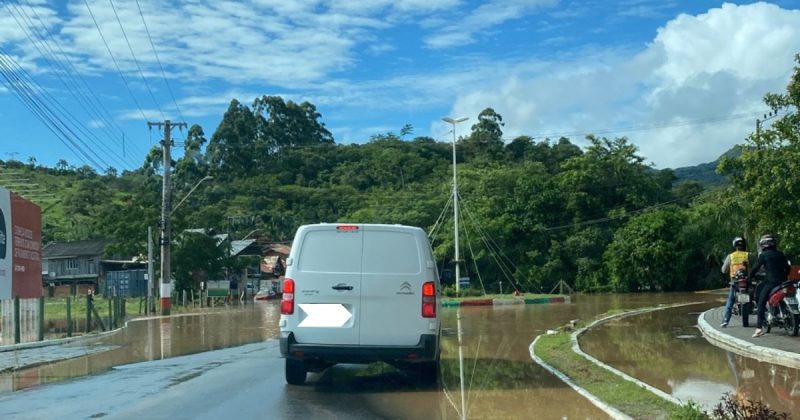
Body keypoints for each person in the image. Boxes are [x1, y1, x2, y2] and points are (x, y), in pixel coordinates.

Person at [749, 234, 790, 338]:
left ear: (764, 245)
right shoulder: (780, 254)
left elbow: (755, 267)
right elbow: (788, 267)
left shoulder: (763, 256)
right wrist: (784, 276)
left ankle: (758, 329)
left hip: (771, 282)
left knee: (761, 302)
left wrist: (750, 277)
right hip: (783, 282)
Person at [720, 237, 750, 327]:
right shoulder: (748, 255)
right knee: (756, 298)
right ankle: (763, 319)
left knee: (730, 300)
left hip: (735, 282)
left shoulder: (731, 256)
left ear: (734, 245)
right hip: (747, 280)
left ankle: (725, 319)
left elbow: (723, 270)